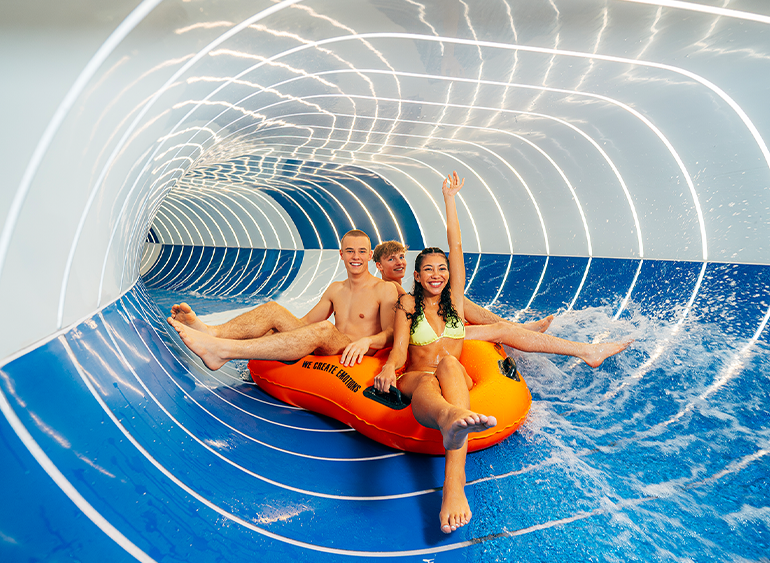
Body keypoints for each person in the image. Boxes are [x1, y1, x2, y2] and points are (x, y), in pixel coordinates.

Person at [374, 172, 496, 535]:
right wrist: (388, 369)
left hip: (452, 373)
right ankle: (450, 419)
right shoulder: (407, 304)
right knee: (430, 379)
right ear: (417, 275)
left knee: (450, 364)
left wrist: (450, 199)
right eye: (428, 269)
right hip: (417, 377)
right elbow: (399, 351)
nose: (437, 274)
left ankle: (453, 480)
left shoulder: (455, 300)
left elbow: (455, 246)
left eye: (442, 269)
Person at [372, 242, 631, 368]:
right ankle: (578, 348)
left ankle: (521, 329)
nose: (399, 262)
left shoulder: (406, 288)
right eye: (391, 259)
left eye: (401, 257)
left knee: (457, 300)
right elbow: (396, 333)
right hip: (429, 342)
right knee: (468, 308)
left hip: (441, 331)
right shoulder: (392, 292)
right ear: (379, 266)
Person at [167, 230, 399, 369]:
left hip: (356, 352)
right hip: (329, 345)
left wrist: (366, 342)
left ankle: (224, 351)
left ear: (370, 255)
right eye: (350, 251)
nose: (356, 256)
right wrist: (274, 333)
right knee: (273, 309)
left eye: (361, 251)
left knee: (325, 328)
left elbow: (391, 333)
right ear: (341, 254)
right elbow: (305, 322)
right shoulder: (335, 289)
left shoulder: (384, 289)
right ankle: (211, 332)